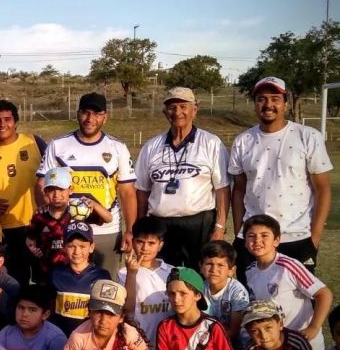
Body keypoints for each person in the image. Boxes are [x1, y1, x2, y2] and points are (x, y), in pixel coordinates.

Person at [229, 76, 333, 277]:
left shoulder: (308, 136)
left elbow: (323, 189)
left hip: (296, 237)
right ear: (255, 104)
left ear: (285, 103)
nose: (268, 104)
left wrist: (315, 237)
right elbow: (239, 189)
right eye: (261, 99)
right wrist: (239, 231)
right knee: (250, 303)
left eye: (275, 98)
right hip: (253, 239)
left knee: (298, 305)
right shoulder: (243, 140)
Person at [37, 92, 137, 274]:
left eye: (96, 113)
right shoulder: (58, 145)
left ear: (105, 118)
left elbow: (127, 192)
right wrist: (50, 216)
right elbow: (42, 182)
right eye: (85, 112)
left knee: (106, 287)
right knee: (64, 286)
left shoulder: (117, 148)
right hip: (67, 231)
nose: (90, 118)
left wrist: (130, 230)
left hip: (106, 230)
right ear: (78, 114)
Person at [134, 87, 230, 270]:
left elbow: (222, 188)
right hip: (161, 224)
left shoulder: (210, 143)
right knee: (162, 278)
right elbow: (142, 190)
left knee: (200, 276)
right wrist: (140, 227)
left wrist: (219, 227)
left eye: (183, 106)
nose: (177, 112)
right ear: (165, 112)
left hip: (199, 223)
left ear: (194, 109)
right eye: (171, 107)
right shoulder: (151, 146)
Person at [0, 99, 46, 285]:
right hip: (7, 229)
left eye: (7, 119)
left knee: (44, 281)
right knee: (14, 283)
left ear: (15, 122)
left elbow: (54, 177)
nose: (2, 124)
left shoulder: (34, 142)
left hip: (39, 223)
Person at [243, 214, 332, 350]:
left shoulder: (288, 266)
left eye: (264, 235)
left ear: (276, 240)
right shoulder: (250, 271)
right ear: (245, 242)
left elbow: (324, 294)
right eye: (251, 236)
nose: (257, 240)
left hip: (303, 341)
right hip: (274, 343)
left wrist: (313, 328)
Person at [117, 216, 173, 350]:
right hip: (142, 348)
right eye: (140, 242)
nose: (145, 248)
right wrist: (132, 274)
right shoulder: (124, 272)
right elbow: (128, 309)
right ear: (132, 242)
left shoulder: (171, 272)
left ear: (161, 244)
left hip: (166, 348)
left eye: (151, 243)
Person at [27, 166, 111, 286]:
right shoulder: (40, 216)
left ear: (71, 189)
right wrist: (33, 248)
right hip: (46, 273)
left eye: (61, 189)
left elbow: (108, 218)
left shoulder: (80, 211)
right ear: (45, 192)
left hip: (75, 272)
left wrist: (94, 204)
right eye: (51, 190)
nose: (56, 195)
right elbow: (30, 239)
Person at [49, 221, 110, 336]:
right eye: (71, 246)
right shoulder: (56, 273)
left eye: (82, 246)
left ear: (91, 247)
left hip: (89, 337)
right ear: (64, 247)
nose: (77, 252)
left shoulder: (102, 276)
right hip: (61, 336)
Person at [199, 240, 249, 350]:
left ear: (231, 270)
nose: (214, 270)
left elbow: (234, 331)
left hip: (237, 344)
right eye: (209, 264)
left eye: (220, 265)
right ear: (200, 267)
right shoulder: (200, 289)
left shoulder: (237, 292)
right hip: (209, 340)